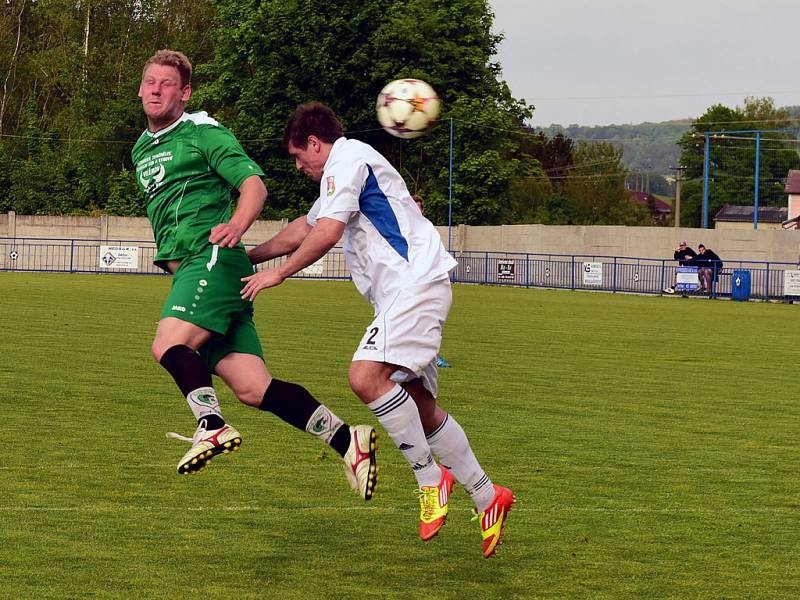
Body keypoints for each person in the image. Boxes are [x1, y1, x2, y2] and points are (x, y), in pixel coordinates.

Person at [241, 102, 514, 558]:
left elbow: (325, 234)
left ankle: (430, 478)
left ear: (314, 143)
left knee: (365, 377)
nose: (298, 166)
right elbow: (303, 227)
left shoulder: (347, 158)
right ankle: (489, 497)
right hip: (405, 293)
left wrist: (278, 274)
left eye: (297, 156)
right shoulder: (341, 173)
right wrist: (249, 257)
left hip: (416, 284)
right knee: (420, 406)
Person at [131, 51, 377, 501]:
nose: (154, 89)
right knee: (252, 387)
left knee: (168, 343)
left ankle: (211, 425)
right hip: (204, 272)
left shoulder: (202, 132)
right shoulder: (140, 148)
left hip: (209, 260)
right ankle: (348, 441)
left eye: (166, 84)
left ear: (184, 93)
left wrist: (237, 228)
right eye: (149, 81)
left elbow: (253, 185)